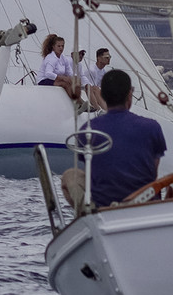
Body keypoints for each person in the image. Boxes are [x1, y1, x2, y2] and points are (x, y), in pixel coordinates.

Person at [61, 68, 166, 211]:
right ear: (130, 94)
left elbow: (91, 168)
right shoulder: (152, 127)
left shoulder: (87, 130)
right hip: (144, 203)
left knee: (70, 176)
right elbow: (153, 171)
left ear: (103, 95)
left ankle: (88, 215)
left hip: (105, 207)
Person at [37, 34, 82, 100]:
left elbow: (69, 72)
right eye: (58, 46)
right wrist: (62, 78)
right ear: (53, 47)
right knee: (65, 84)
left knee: (76, 81)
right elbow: (48, 73)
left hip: (53, 79)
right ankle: (76, 102)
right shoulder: (51, 58)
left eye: (62, 46)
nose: (61, 48)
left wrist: (74, 77)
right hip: (44, 80)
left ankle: (79, 100)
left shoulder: (63, 58)